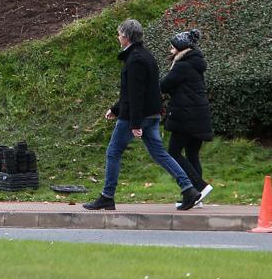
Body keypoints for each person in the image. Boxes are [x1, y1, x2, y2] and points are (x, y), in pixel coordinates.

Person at [83, 19, 202, 211]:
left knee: (113, 152)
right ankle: (189, 189)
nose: (118, 37)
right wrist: (115, 109)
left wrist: (135, 123)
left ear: (127, 37)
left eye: (120, 34)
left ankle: (107, 196)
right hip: (151, 114)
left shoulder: (135, 59)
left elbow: (135, 94)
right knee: (160, 154)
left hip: (136, 116)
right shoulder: (146, 55)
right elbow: (142, 90)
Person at [160, 28, 214, 208]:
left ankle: (199, 187)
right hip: (199, 115)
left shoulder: (182, 66)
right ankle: (195, 198)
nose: (170, 50)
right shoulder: (195, 63)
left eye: (172, 47)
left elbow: (164, 85)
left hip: (186, 116)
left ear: (180, 48)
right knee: (192, 154)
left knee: (173, 153)